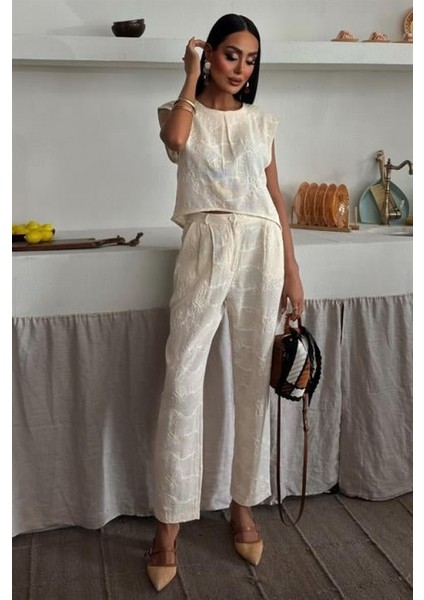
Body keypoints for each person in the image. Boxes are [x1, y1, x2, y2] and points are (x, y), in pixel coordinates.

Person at [147, 13, 304, 591]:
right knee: (182, 379)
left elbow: (276, 197)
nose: (242, 68)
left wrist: (292, 271)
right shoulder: (180, 110)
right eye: (232, 54)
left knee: (252, 381)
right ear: (210, 53)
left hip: (262, 248)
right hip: (206, 243)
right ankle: (168, 526)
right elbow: (176, 141)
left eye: (251, 59)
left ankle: (243, 505)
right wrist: (190, 75)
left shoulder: (262, 122)